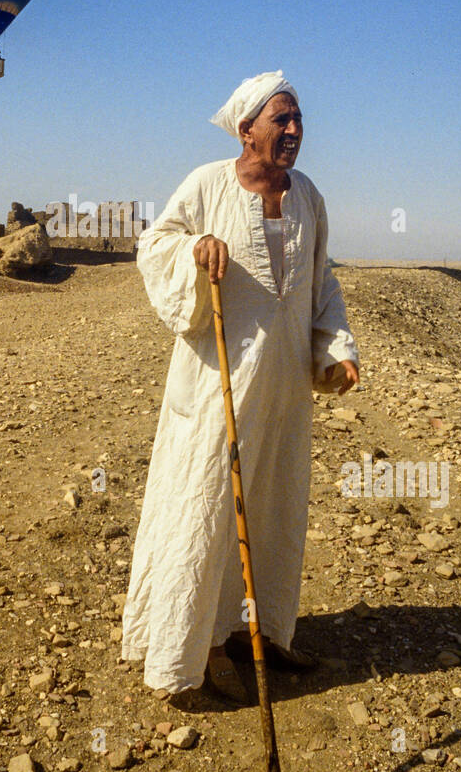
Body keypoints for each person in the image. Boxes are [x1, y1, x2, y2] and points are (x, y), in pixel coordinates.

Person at [121, 71, 360, 703]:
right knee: (206, 508)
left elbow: (321, 281)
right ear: (246, 128)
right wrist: (195, 249)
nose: (294, 130)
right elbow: (156, 245)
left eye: (299, 118)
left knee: (274, 509)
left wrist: (334, 350)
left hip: (283, 390)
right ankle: (185, 658)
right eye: (280, 120)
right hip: (216, 386)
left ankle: (257, 635)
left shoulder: (308, 195)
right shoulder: (206, 183)